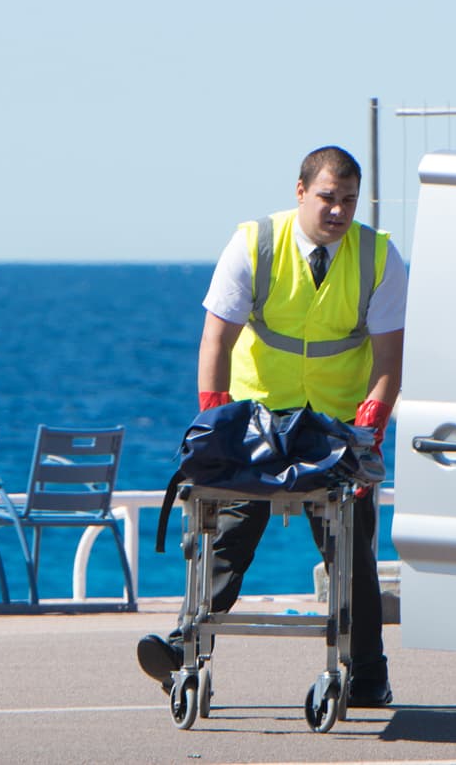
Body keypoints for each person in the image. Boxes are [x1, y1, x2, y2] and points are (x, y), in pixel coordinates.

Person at [137, 145, 406, 707]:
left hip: (334, 430)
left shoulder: (379, 257)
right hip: (258, 424)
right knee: (227, 536)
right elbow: (217, 338)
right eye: (328, 197)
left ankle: (367, 675)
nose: (338, 211)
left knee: (351, 552)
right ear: (301, 191)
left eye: (349, 201)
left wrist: (368, 433)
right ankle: (183, 650)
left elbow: (388, 362)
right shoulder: (255, 244)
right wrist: (213, 425)